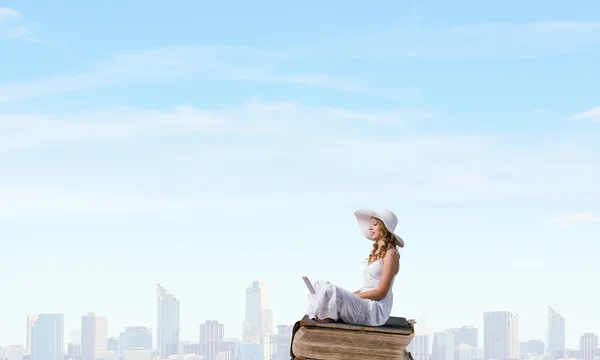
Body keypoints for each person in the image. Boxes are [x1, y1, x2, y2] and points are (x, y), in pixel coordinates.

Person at [306, 208, 404, 326]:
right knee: (320, 286)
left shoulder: (391, 254)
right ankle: (327, 314)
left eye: (375, 224)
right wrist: (346, 296)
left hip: (374, 309)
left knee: (330, 290)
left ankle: (330, 313)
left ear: (384, 228)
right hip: (365, 302)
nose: (369, 228)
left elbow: (381, 293)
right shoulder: (377, 252)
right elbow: (365, 289)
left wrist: (347, 297)